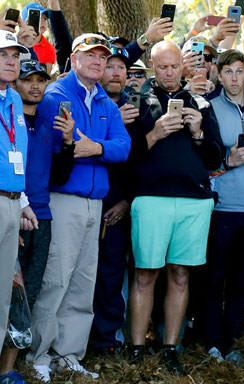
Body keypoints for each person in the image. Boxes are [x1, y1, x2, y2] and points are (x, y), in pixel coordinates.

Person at [27, 33, 130, 383]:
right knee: (55, 280)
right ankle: (38, 356)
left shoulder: (105, 102)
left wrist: (95, 148)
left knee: (83, 284)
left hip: (94, 204)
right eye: (91, 55)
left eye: (103, 57)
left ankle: (68, 355)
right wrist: (90, 147)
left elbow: (123, 148)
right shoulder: (57, 94)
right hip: (64, 200)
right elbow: (62, 144)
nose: (98, 62)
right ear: (73, 59)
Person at [127, 40, 222, 375]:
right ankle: (137, 347)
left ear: (183, 65)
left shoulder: (201, 102)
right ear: (153, 66)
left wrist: (197, 132)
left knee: (181, 274)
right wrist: (154, 133)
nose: (169, 73)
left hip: (194, 200)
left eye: (174, 66)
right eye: (162, 66)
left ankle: (171, 346)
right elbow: (125, 158)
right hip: (151, 197)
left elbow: (215, 159)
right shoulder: (137, 100)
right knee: (145, 273)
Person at [202, 49, 244, 364]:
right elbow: (204, 161)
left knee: (242, 279)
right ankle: (212, 341)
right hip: (221, 207)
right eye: (228, 72)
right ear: (219, 76)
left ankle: (235, 340)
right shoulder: (209, 108)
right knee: (215, 277)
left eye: (240, 72)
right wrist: (228, 160)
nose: (235, 79)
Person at [87, 45, 139, 355]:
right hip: (88, 199)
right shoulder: (91, 106)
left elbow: (142, 161)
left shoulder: (139, 108)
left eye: (122, 68)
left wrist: (128, 201)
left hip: (120, 207)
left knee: (111, 275)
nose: (116, 72)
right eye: (110, 66)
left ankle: (106, 341)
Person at [0, 31, 37, 384]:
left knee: (4, 292)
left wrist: (22, 200)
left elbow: (15, 152)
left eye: (16, 55)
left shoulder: (12, 97)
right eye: (4, 55)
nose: (12, 61)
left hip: (12, 200)